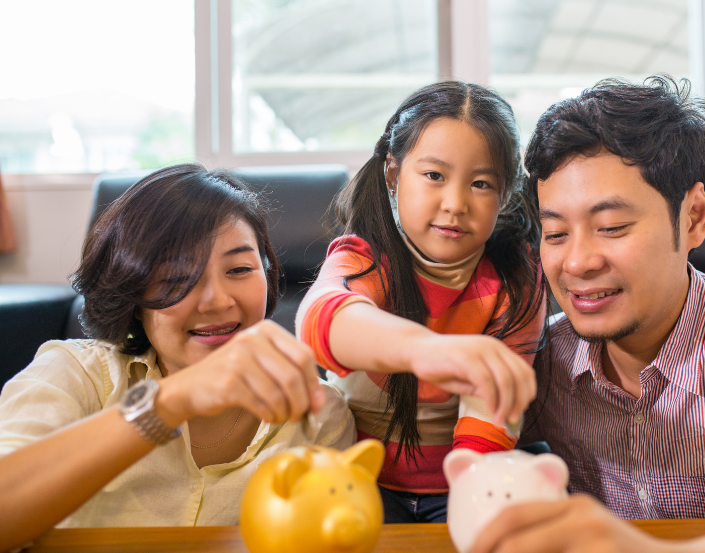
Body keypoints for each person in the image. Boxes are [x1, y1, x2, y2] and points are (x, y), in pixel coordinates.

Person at [471, 76, 705, 553]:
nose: (577, 262)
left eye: (612, 227)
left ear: (694, 217)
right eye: (555, 234)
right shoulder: (544, 360)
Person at [0, 164, 356, 551]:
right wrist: (171, 401)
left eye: (239, 269)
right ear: (132, 294)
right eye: (176, 280)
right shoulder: (73, 374)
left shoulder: (318, 413)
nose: (218, 301)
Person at [296, 81, 546, 523]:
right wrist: (428, 349)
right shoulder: (363, 258)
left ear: (505, 194)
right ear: (393, 173)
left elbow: (488, 418)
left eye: (482, 183)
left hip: (466, 481)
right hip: (356, 479)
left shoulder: (517, 277)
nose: (455, 203)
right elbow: (320, 323)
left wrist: (471, 501)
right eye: (434, 176)